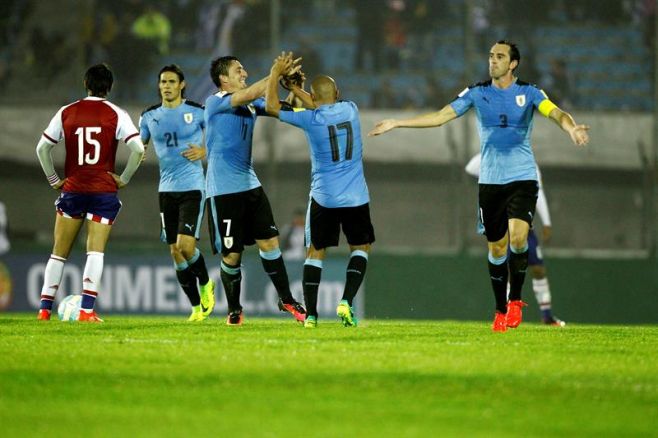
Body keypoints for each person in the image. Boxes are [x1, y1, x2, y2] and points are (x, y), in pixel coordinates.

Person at [369, 40, 589, 332]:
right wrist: (398, 122)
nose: (493, 60)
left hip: (522, 178)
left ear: (513, 64)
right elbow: (440, 116)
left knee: (519, 237)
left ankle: (515, 301)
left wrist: (571, 127)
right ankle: (500, 309)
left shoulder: (530, 92)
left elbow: (557, 113)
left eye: (499, 56)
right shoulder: (477, 93)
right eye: (490, 56)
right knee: (497, 248)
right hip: (491, 181)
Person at [266, 55, 375, 328]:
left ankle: (312, 316)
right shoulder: (351, 109)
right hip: (356, 197)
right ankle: (346, 302)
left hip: (324, 197)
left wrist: (282, 82)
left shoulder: (310, 119)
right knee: (360, 248)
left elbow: (271, 106)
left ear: (313, 96)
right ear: (337, 94)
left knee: (315, 253)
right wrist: (297, 90)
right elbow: (321, 101)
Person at [35, 63, 145, 322]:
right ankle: (86, 311)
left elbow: (42, 148)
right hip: (103, 191)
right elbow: (138, 149)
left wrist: (54, 179)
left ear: (86, 84)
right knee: (95, 251)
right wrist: (124, 178)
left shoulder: (67, 112)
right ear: (110, 87)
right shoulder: (116, 113)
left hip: (73, 188)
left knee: (58, 252)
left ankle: (43, 310)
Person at [204, 54, 306, 325]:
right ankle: (235, 309)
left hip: (250, 185)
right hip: (223, 191)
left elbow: (280, 108)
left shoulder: (251, 105)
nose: (244, 73)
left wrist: (292, 88)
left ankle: (286, 299)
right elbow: (249, 92)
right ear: (223, 78)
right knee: (232, 254)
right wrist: (275, 72)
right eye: (239, 70)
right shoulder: (215, 102)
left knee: (270, 243)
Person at [139, 64, 215, 322]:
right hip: (166, 189)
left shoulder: (196, 111)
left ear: (182, 84)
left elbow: (219, 137)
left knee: (186, 245)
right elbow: (141, 145)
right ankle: (195, 307)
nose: (167, 86)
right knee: (175, 250)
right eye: (163, 82)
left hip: (193, 186)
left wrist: (205, 152)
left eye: (172, 81)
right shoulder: (149, 116)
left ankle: (206, 283)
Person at [465, 153, 565, 326]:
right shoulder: (492, 155)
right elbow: (470, 168)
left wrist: (547, 222)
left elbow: (538, 191)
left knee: (538, 269)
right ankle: (505, 311)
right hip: (502, 220)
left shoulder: (528, 162)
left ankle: (547, 315)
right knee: (507, 267)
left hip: (522, 223)